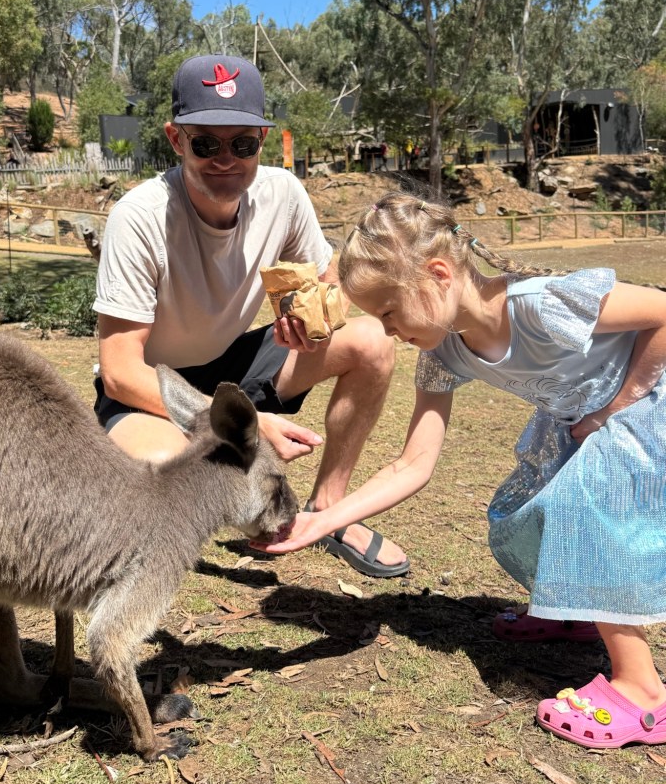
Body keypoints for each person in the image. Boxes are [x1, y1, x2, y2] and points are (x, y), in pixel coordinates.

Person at [253, 190, 666, 748]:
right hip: (580, 420)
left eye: (389, 312)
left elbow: (662, 312)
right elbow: (413, 462)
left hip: (644, 403)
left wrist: (615, 410)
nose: (387, 330)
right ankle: (574, 607)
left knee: (582, 507)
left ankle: (644, 692)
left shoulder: (539, 305)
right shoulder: (443, 352)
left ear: (438, 275)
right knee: (521, 514)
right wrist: (323, 521)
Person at [92, 53, 407, 578]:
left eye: (241, 144)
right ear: (175, 139)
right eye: (205, 143)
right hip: (153, 388)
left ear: (262, 141)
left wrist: (309, 319)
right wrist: (248, 423)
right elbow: (121, 372)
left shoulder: (282, 193)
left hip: (235, 365)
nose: (225, 159)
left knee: (372, 340)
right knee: (170, 476)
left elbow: (330, 280)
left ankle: (327, 509)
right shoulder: (139, 218)